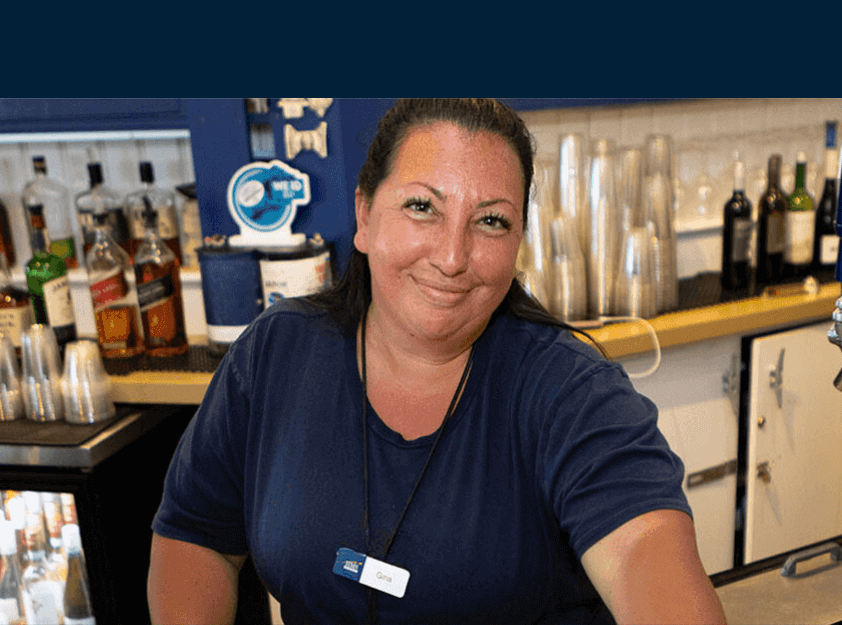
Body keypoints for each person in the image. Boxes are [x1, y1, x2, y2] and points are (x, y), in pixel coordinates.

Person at [148, 98, 725, 624]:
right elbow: (194, 537)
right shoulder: (276, 354)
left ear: (518, 241)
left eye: (491, 220)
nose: (453, 257)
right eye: (423, 206)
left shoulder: (573, 394)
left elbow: (646, 560)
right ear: (365, 216)